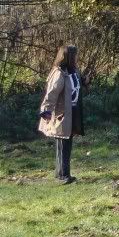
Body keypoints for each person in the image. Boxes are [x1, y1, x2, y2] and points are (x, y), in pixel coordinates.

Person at [38, 45, 84, 184]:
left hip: (73, 111)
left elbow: (76, 85)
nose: (76, 57)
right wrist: (46, 110)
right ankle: (63, 176)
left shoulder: (73, 70)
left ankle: (63, 174)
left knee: (67, 143)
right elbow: (52, 93)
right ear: (68, 57)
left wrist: (85, 81)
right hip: (61, 114)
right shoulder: (59, 73)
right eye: (74, 55)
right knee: (63, 144)